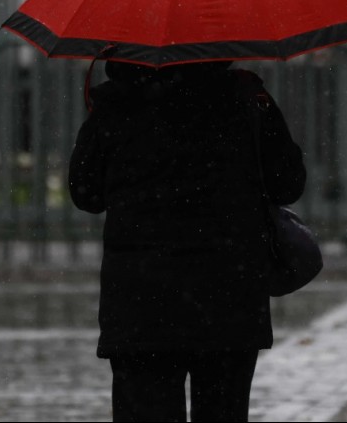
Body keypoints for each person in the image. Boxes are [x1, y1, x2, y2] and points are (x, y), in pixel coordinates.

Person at [68, 60, 306, 422]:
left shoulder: (116, 103)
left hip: (141, 302)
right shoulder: (246, 96)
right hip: (228, 294)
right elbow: (287, 183)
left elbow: (86, 194)